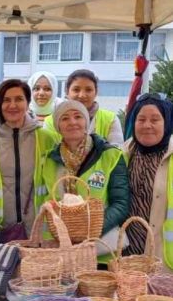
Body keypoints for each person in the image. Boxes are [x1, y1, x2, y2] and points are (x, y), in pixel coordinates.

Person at [0, 79, 58, 231]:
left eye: (19, 99)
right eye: (6, 100)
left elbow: (57, 182)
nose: (13, 105)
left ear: (28, 102)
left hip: (39, 229)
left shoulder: (47, 139)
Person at [42, 100, 129, 255]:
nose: (72, 122)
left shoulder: (111, 155)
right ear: (58, 127)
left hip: (101, 249)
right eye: (65, 118)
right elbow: (48, 201)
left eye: (78, 116)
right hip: (62, 249)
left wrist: (91, 230)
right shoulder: (49, 160)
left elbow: (121, 204)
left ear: (86, 122)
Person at [123, 93, 173, 271]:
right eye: (141, 119)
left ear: (167, 122)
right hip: (125, 255)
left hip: (164, 258)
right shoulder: (123, 154)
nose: (147, 125)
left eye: (155, 119)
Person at [44, 69, 123, 146]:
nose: (82, 95)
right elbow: (48, 153)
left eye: (88, 90)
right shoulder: (51, 121)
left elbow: (116, 153)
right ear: (67, 91)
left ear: (96, 92)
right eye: (76, 90)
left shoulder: (110, 119)